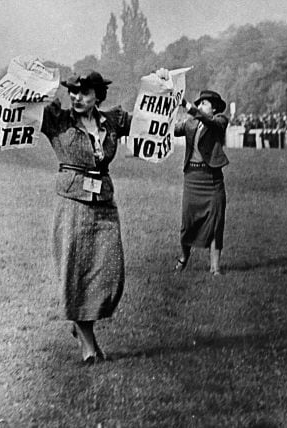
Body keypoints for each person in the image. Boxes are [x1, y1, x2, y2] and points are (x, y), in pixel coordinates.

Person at [41, 69, 148, 364]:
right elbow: (22, 111)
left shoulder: (113, 121)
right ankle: (88, 344)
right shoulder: (58, 119)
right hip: (73, 203)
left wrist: (165, 93)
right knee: (77, 274)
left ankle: (82, 326)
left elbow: (158, 125)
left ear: (98, 96)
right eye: (73, 91)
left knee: (109, 272)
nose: (76, 97)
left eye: (85, 92)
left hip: (103, 204)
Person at [173, 88, 230, 276]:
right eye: (199, 103)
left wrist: (187, 105)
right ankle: (183, 257)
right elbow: (172, 130)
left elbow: (208, 121)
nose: (200, 106)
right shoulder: (190, 124)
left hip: (212, 179)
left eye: (204, 103)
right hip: (192, 178)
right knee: (187, 223)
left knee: (216, 222)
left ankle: (215, 268)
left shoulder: (220, 121)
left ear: (214, 109)